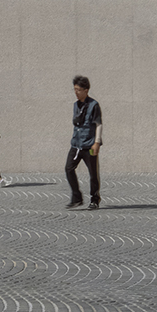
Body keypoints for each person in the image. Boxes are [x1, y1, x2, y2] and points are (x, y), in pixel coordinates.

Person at [65, 75, 102, 210]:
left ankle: (95, 199)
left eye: (79, 90)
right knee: (69, 168)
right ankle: (77, 197)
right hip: (76, 144)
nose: (76, 92)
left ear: (86, 90)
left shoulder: (94, 105)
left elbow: (98, 124)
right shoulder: (76, 105)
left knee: (93, 173)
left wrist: (97, 142)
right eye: (75, 89)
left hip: (90, 144)